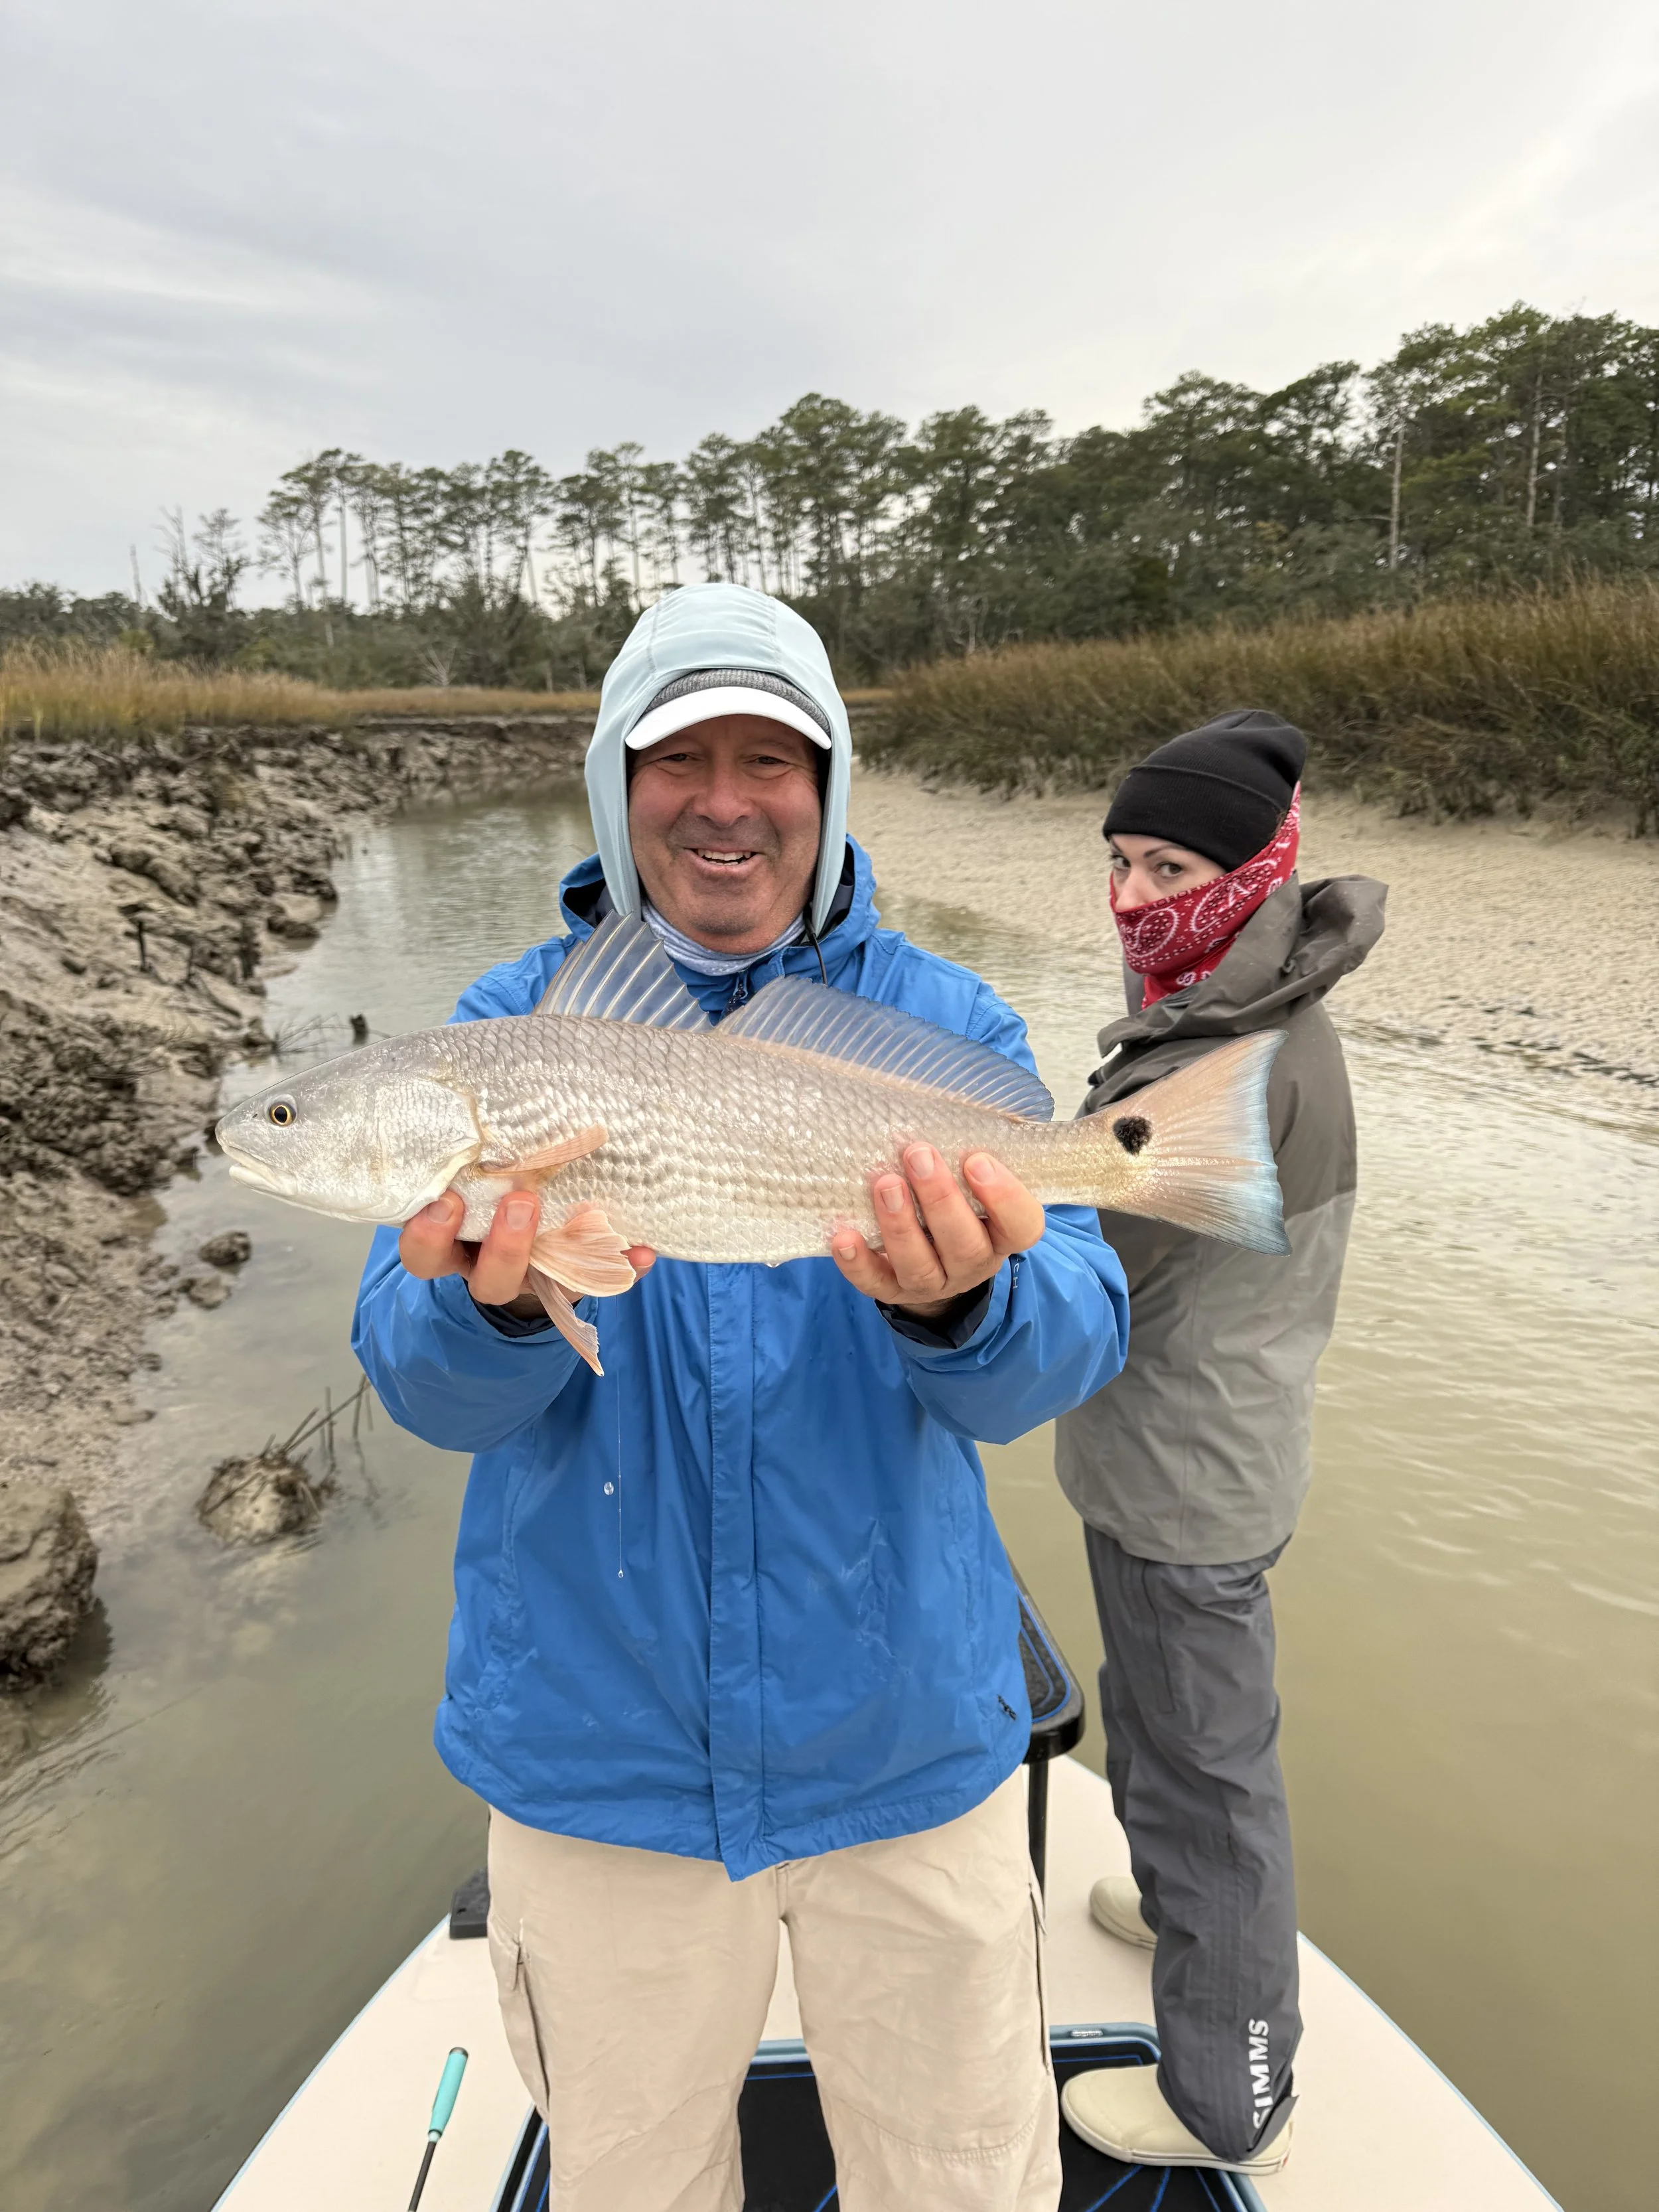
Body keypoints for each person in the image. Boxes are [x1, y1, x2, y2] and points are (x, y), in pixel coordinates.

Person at [352, 581, 1131, 2212]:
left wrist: (970, 1299)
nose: (722, 800)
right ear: (611, 787)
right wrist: (488, 1312)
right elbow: (418, 1386)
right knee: (634, 2184)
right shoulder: (501, 1033)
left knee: (964, 2182)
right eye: (675, 759)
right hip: (594, 1759)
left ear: (829, 780)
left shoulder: (946, 1023)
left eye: (768, 758)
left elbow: (1064, 1354)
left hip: (908, 1742)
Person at [1053, 711, 1386, 2178]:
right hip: (1192, 1454)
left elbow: (1076, 1260)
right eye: (1118, 860)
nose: (1132, 894)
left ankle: (1228, 2092)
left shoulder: (1231, 1062)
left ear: (1257, 872)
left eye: (1167, 861)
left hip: (1188, 1479)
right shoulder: (1235, 1013)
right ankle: (1172, 1904)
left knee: (1210, 1776)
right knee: (1158, 1729)